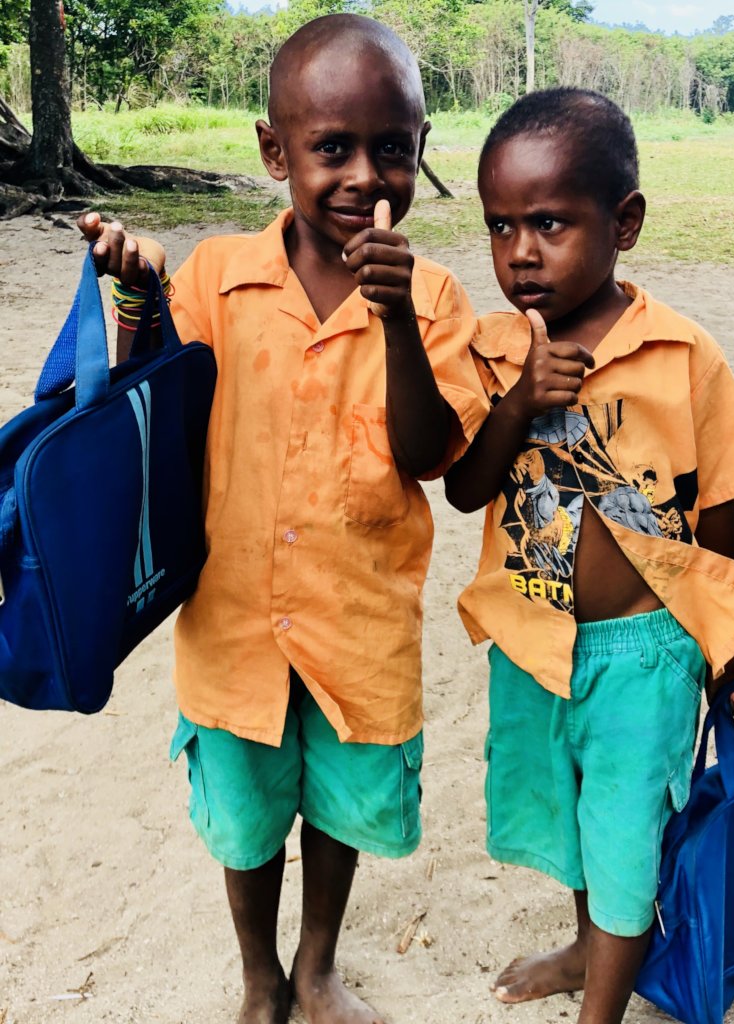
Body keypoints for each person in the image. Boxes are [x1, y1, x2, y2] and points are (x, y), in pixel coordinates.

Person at [79, 15, 486, 1024]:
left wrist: (393, 320)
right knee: (250, 818)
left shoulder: (432, 299)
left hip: (357, 623)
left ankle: (317, 968)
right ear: (275, 152)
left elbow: (429, 454)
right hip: (235, 628)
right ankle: (261, 977)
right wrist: (134, 296)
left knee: (342, 808)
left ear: (421, 151)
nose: (362, 176)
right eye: (331, 148)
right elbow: (143, 405)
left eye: (391, 147)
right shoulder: (215, 277)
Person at [444, 87, 734, 1024]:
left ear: (623, 222)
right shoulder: (490, 353)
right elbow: (465, 489)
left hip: (644, 653)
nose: (520, 251)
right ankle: (585, 945)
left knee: (626, 842)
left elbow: (713, 514)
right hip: (532, 644)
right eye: (500, 226)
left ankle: (602, 1010)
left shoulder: (682, 353)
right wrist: (518, 401)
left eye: (550, 222)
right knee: (570, 824)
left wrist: (725, 646)